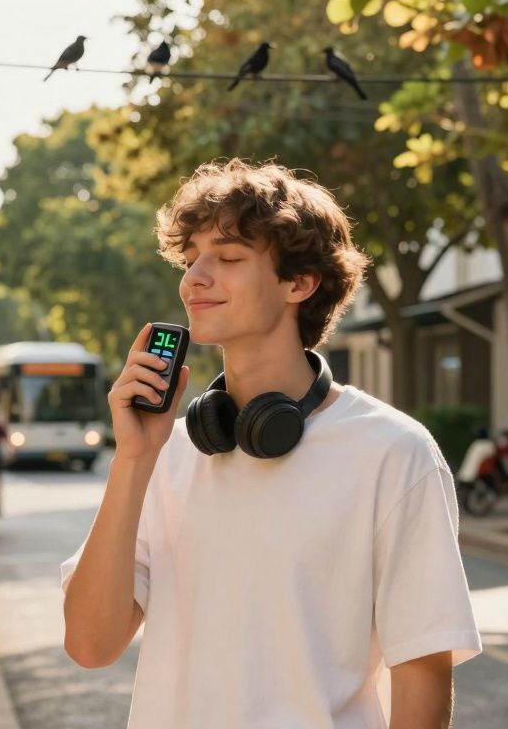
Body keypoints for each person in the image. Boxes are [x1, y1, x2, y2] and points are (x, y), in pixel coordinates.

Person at [60, 159, 482, 727]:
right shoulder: (167, 451)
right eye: (191, 258)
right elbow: (90, 645)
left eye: (228, 258)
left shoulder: (393, 451)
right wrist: (133, 460)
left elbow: (422, 674)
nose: (194, 278)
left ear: (299, 283)